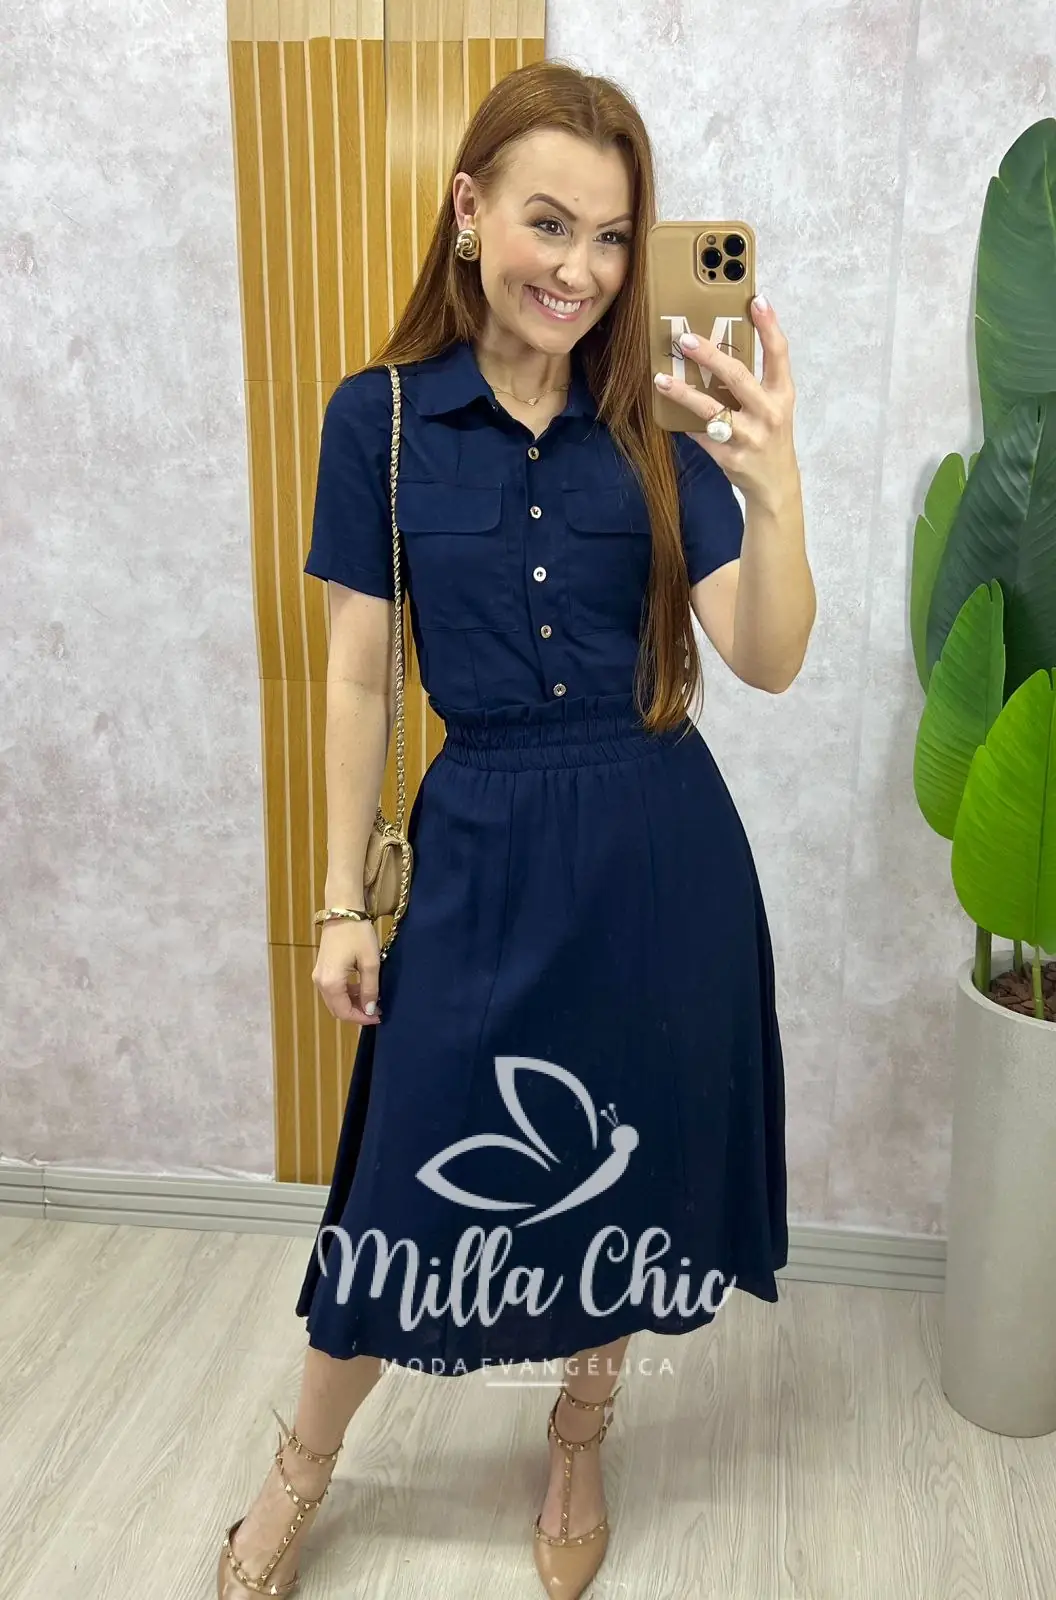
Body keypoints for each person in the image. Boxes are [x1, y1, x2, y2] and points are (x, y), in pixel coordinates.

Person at [216, 57, 813, 1600]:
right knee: (403, 1181)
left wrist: (774, 481)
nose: (583, 270)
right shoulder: (380, 420)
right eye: (552, 223)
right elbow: (359, 675)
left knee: (617, 1162)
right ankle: (304, 1467)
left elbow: (767, 655)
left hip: (659, 853)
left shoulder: (657, 425)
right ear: (469, 209)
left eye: (614, 237)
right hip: (477, 846)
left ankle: (579, 1434)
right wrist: (339, 902)